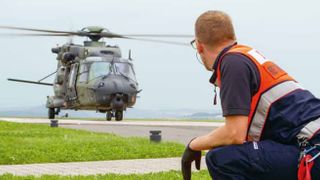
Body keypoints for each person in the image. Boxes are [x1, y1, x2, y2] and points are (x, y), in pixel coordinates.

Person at [181, 10, 320, 180]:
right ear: (232, 37)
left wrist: (193, 145)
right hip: (309, 144)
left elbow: (234, 134)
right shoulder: (246, 56)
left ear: (199, 46)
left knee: (221, 159)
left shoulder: (232, 63)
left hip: (313, 150)